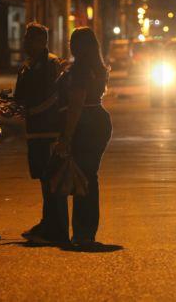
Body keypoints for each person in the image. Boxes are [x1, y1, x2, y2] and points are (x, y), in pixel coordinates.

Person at [54, 27, 112, 246]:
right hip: (99, 121)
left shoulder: (80, 70)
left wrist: (67, 136)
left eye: (73, 42)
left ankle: (83, 233)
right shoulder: (95, 67)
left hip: (86, 124)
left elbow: (76, 104)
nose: (70, 45)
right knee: (88, 176)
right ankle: (84, 232)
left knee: (84, 178)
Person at [14, 23, 68, 244]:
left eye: (31, 38)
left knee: (52, 181)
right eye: (26, 38)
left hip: (49, 131)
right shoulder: (28, 66)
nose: (26, 42)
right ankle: (48, 223)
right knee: (43, 180)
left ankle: (56, 228)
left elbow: (56, 97)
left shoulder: (52, 64)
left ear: (43, 41)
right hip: (35, 132)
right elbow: (21, 96)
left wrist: (32, 110)